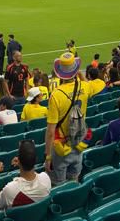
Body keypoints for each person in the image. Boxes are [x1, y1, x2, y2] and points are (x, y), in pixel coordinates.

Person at [45, 53, 89, 186]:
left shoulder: (56, 95)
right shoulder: (85, 86)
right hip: (79, 142)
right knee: (74, 180)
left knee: (59, 184)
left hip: (62, 148)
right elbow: (88, 82)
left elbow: (51, 132)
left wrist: (48, 157)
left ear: (59, 73)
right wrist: (79, 74)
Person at [0, 140, 50, 211]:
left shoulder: (10, 189)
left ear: (19, 161)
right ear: (36, 160)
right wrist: (22, 163)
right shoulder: (46, 179)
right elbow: (32, 172)